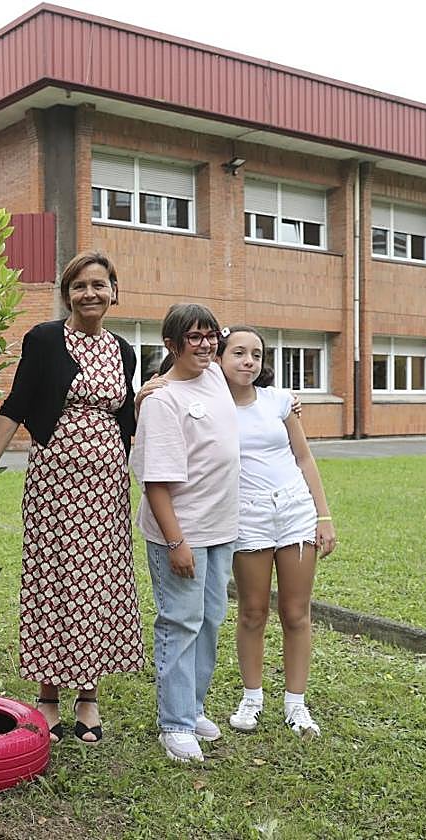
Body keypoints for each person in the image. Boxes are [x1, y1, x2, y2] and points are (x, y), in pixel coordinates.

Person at [0, 251, 142, 744]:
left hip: (107, 483)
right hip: (55, 481)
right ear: (67, 294)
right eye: (79, 286)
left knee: (96, 583)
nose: (89, 293)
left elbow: (125, 416)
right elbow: (19, 401)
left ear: (114, 291)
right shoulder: (45, 340)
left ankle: (87, 695)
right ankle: (49, 694)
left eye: (98, 284)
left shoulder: (124, 350)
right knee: (54, 579)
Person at [130, 303, 240, 763]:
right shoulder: (162, 400)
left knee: (210, 619)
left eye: (209, 335)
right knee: (181, 621)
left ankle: (192, 709)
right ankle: (174, 724)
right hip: (182, 533)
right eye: (191, 337)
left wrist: (286, 402)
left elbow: (233, 342)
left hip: (221, 528)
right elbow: (155, 481)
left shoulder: (214, 375)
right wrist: (176, 543)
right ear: (171, 345)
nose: (204, 343)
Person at [215, 325, 336, 739]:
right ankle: (252, 698)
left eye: (256, 354)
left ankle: (296, 705)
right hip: (247, 518)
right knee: (252, 612)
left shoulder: (280, 402)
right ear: (218, 357)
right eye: (238, 353)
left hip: (294, 513)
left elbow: (304, 458)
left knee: (296, 613)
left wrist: (323, 516)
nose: (248, 361)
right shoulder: (209, 404)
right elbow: (167, 385)